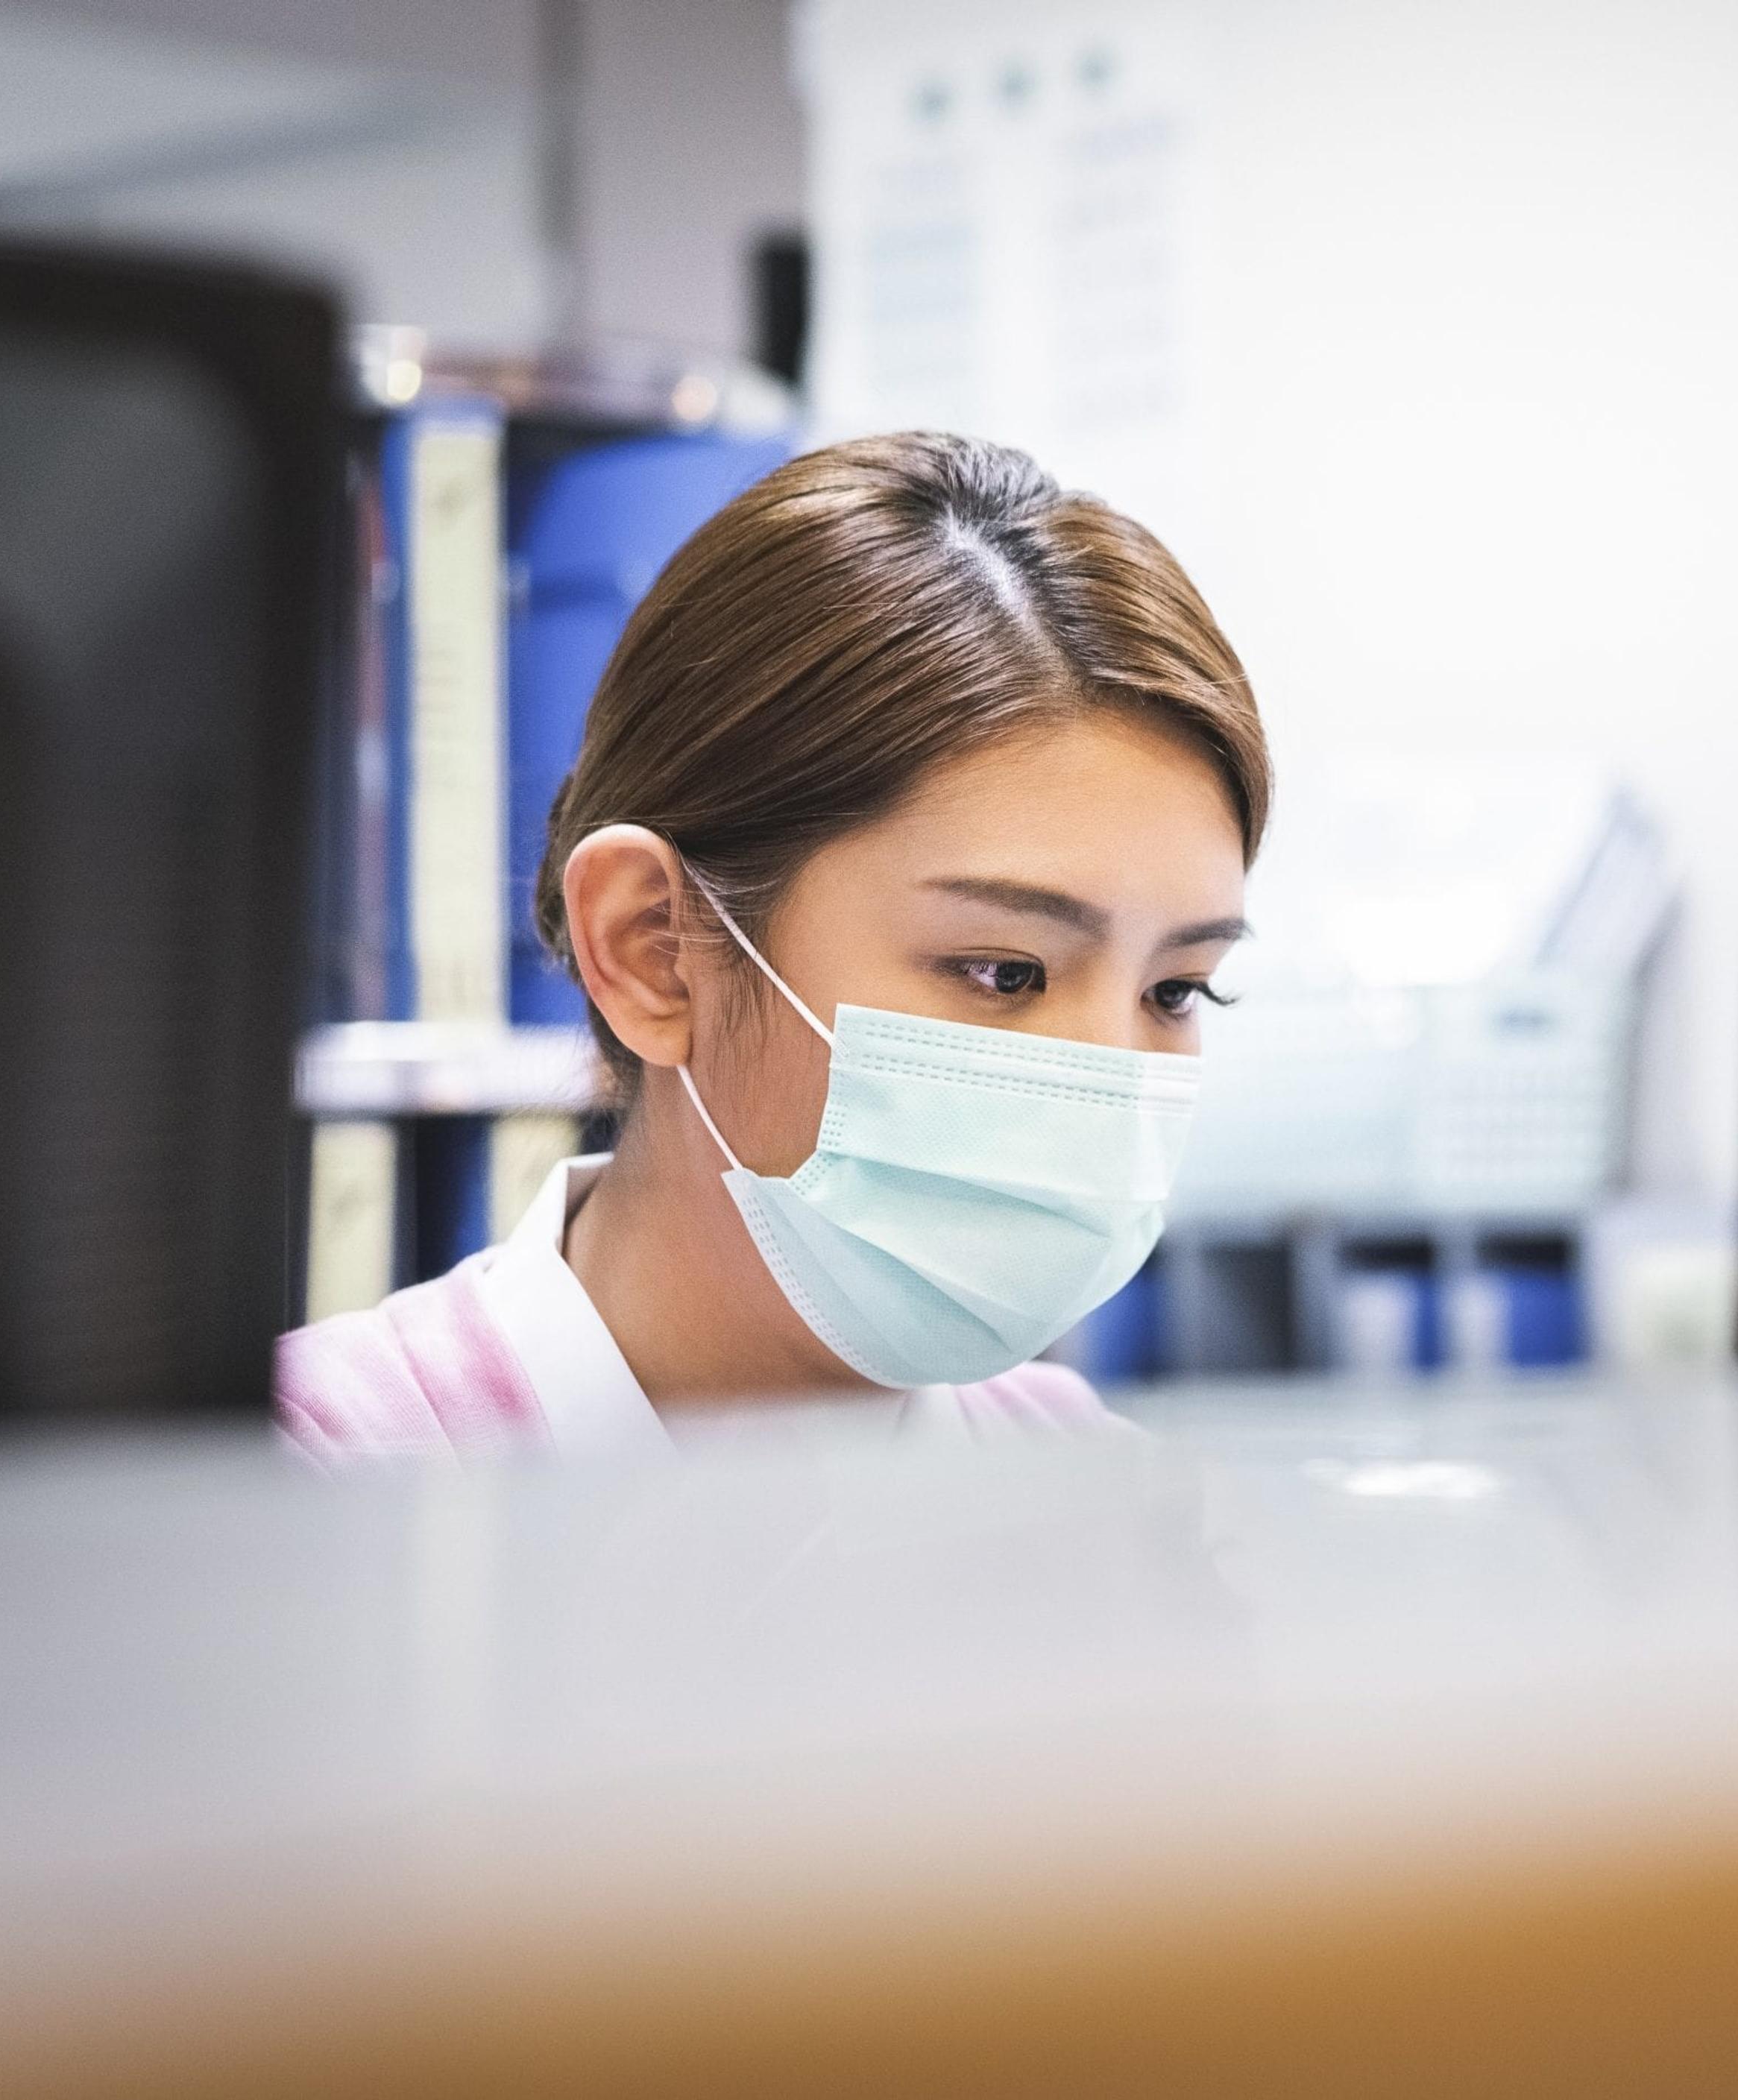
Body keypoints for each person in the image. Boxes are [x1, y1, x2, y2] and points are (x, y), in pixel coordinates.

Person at [279, 433, 1268, 1459]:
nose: (1101, 1083)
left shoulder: (1092, 1489)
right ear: (653, 948)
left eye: (1177, 989)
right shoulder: (310, 1477)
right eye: (1004, 971)